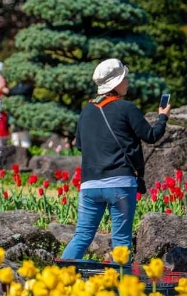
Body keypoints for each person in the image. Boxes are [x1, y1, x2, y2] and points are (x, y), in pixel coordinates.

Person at [61, 59, 171, 261]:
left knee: (82, 237)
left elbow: (80, 146)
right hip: (120, 184)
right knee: (121, 240)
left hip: (89, 185)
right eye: (124, 78)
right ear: (116, 83)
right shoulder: (126, 108)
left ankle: (59, 275)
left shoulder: (86, 110)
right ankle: (122, 281)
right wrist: (163, 117)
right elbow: (151, 136)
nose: (127, 81)